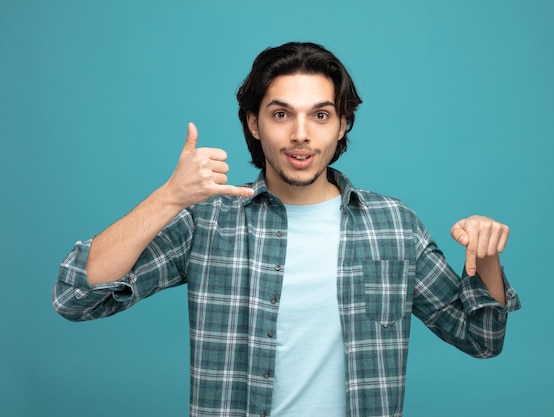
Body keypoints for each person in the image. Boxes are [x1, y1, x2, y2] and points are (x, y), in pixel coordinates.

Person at [53, 41, 521, 417]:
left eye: (320, 115)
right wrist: (169, 198)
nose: (301, 133)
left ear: (342, 127)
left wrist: (487, 256)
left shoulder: (394, 226)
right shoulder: (207, 220)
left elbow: (481, 338)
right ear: (254, 124)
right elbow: (77, 297)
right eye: (281, 114)